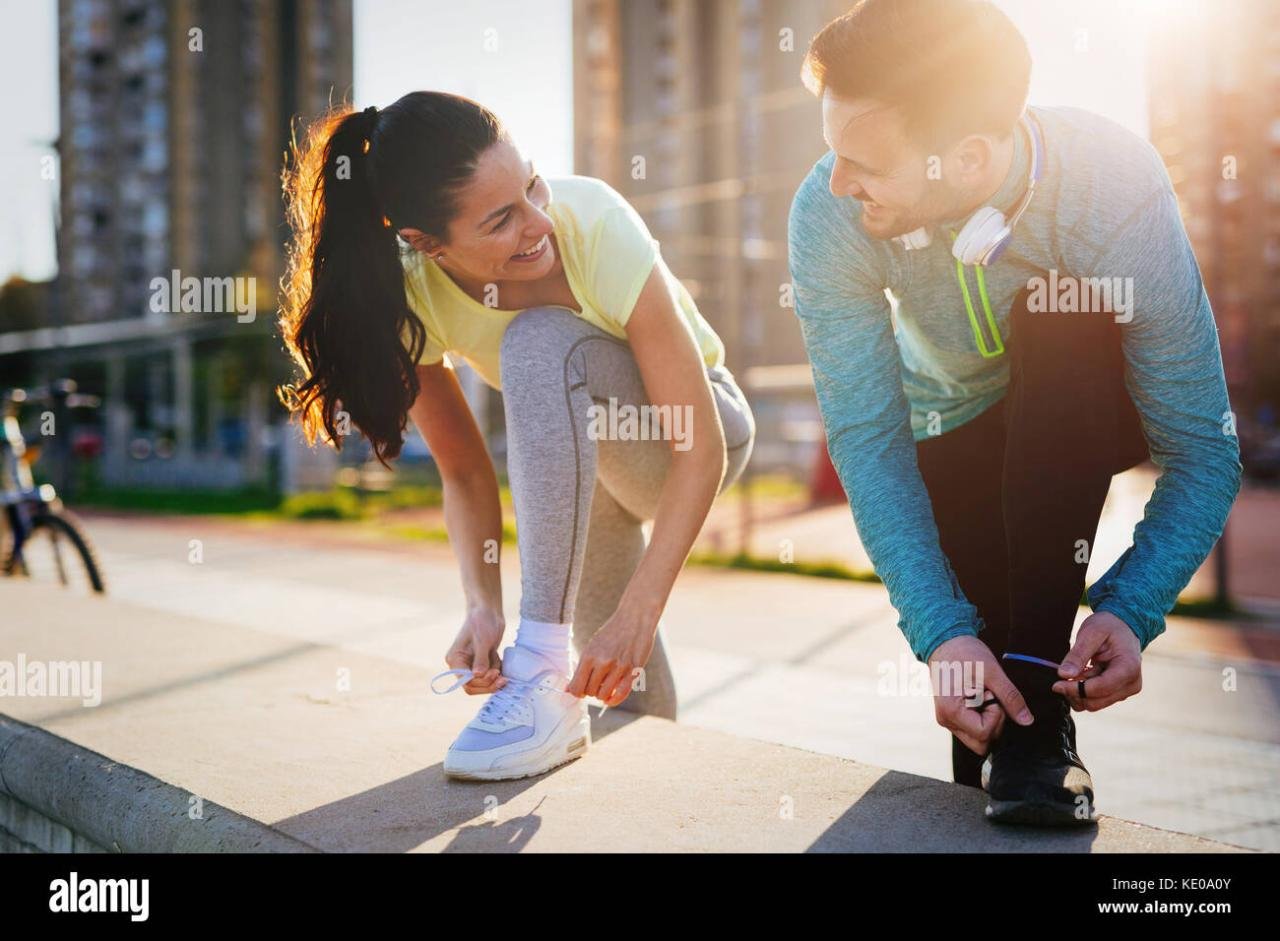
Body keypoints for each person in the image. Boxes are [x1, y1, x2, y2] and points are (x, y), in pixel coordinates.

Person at [787, 0, 1241, 825]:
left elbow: (1204, 450)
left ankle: (1037, 704)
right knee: (985, 709)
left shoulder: (1114, 187)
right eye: (833, 151)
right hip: (949, 429)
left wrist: (1130, 607)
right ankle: (1024, 749)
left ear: (965, 158)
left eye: (863, 162)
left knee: (1062, 313)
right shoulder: (828, 212)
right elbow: (868, 440)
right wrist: (940, 632)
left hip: (1084, 405)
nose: (838, 180)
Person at [278, 91, 755, 781]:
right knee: (628, 696)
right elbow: (465, 472)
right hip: (593, 478)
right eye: (501, 219)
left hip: (700, 434)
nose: (538, 223)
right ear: (427, 244)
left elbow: (699, 447)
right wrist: (482, 605)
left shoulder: (594, 222)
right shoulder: (411, 294)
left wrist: (639, 612)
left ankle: (537, 661)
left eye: (531, 185)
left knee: (536, 341)